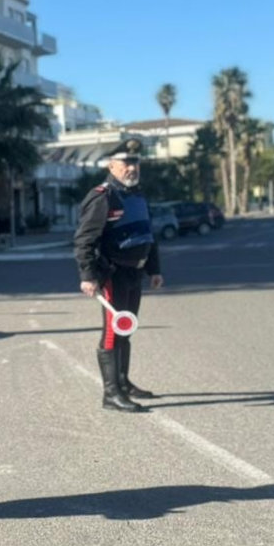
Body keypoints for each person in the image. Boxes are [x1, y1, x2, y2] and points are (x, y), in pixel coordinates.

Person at [73, 137, 165, 413]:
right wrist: (88, 276)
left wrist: (154, 269)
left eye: (136, 162)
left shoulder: (136, 195)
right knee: (112, 333)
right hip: (113, 274)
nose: (132, 168)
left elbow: (148, 235)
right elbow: (84, 239)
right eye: (126, 162)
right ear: (111, 165)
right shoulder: (103, 196)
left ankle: (123, 383)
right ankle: (111, 394)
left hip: (135, 273)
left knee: (127, 328)